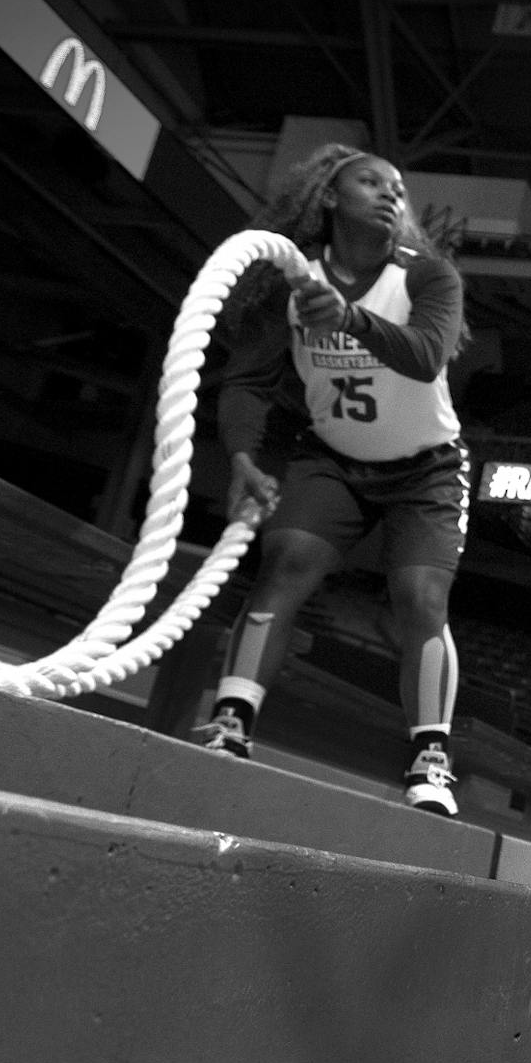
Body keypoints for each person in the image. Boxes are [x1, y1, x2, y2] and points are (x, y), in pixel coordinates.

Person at [191, 144, 472, 818]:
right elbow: (249, 381)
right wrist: (240, 455)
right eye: (371, 181)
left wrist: (346, 318)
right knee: (284, 560)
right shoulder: (289, 280)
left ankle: (431, 756)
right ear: (329, 197)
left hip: (427, 468)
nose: (391, 194)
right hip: (332, 457)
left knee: (419, 595)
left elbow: (427, 354)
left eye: (398, 187)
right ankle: (232, 721)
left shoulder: (428, 276)